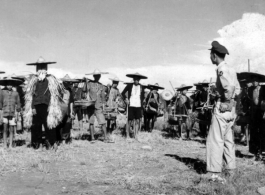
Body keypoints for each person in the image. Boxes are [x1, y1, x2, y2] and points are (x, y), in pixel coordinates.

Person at [206, 41, 240, 182]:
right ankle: (231, 170)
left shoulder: (221, 70)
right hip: (231, 110)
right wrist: (231, 101)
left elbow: (228, 89)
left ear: (214, 55)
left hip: (222, 108)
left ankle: (214, 173)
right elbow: (237, 90)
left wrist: (224, 99)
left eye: (210, 54)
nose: (210, 57)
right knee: (228, 141)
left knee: (215, 140)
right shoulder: (231, 69)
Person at [24, 57, 64, 150]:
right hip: (36, 106)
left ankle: (51, 143)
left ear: (46, 68)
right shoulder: (33, 81)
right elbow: (31, 95)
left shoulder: (51, 80)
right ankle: (36, 144)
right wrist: (32, 107)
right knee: (36, 126)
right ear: (36, 69)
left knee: (49, 125)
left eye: (43, 67)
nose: (41, 69)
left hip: (47, 106)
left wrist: (51, 106)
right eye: (39, 67)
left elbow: (53, 95)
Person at [83, 69, 111, 143]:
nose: (97, 77)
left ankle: (105, 138)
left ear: (100, 76)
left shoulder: (101, 85)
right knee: (91, 122)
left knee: (102, 122)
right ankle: (92, 138)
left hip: (98, 106)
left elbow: (104, 95)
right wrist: (85, 82)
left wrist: (104, 104)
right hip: (91, 105)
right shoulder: (89, 83)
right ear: (93, 76)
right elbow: (84, 90)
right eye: (95, 76)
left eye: (98, 76)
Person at [121, 72, 147, 140]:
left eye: (138, 79)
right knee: (129, 120)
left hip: (138, 105)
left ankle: (136, 135)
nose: (136, 80)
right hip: (131, 105)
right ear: (133, 79)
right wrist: (126, 99)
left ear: (139, 80)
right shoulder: (129, 85)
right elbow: (123, 93)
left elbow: (143, 96)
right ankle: (127, 136)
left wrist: (143, 101)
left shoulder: (141, 87)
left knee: (137, 121)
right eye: (135, 79)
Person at [0, 76, 22, 149]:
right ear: (6, 85)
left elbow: (18, 103)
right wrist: (1, 110)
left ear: (13, 85)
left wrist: (18, 111)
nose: (10, 86)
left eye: (11, 84)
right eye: (8, 84)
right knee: (5, 128)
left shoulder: (16, 93)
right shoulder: (2, 92)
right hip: (4, 112)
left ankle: (10, 144)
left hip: (13, 113)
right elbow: (0, 102)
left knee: (12, 129)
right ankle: (5, 144)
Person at [248, 76, 265, 160]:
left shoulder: (263, 89)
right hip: (253, 114)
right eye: (253, 80)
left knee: (262, 132)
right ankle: (255, 152)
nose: (254, 82)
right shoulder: (250, 89)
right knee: (253, 132)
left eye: (256, 81)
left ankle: (262, 151)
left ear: (259, 81)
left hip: (261, 114)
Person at [57, 75, 75, 144]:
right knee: (59, 124)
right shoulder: (59, 90)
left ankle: (66, 138)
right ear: (64, 82)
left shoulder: (70, 90)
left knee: (67, 124)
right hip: (60, 109)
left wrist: (71, 111)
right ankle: (59, 139)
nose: (68, 84)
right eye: (67, 82)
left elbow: (71, 102)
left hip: (67, 109)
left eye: (69, 83)